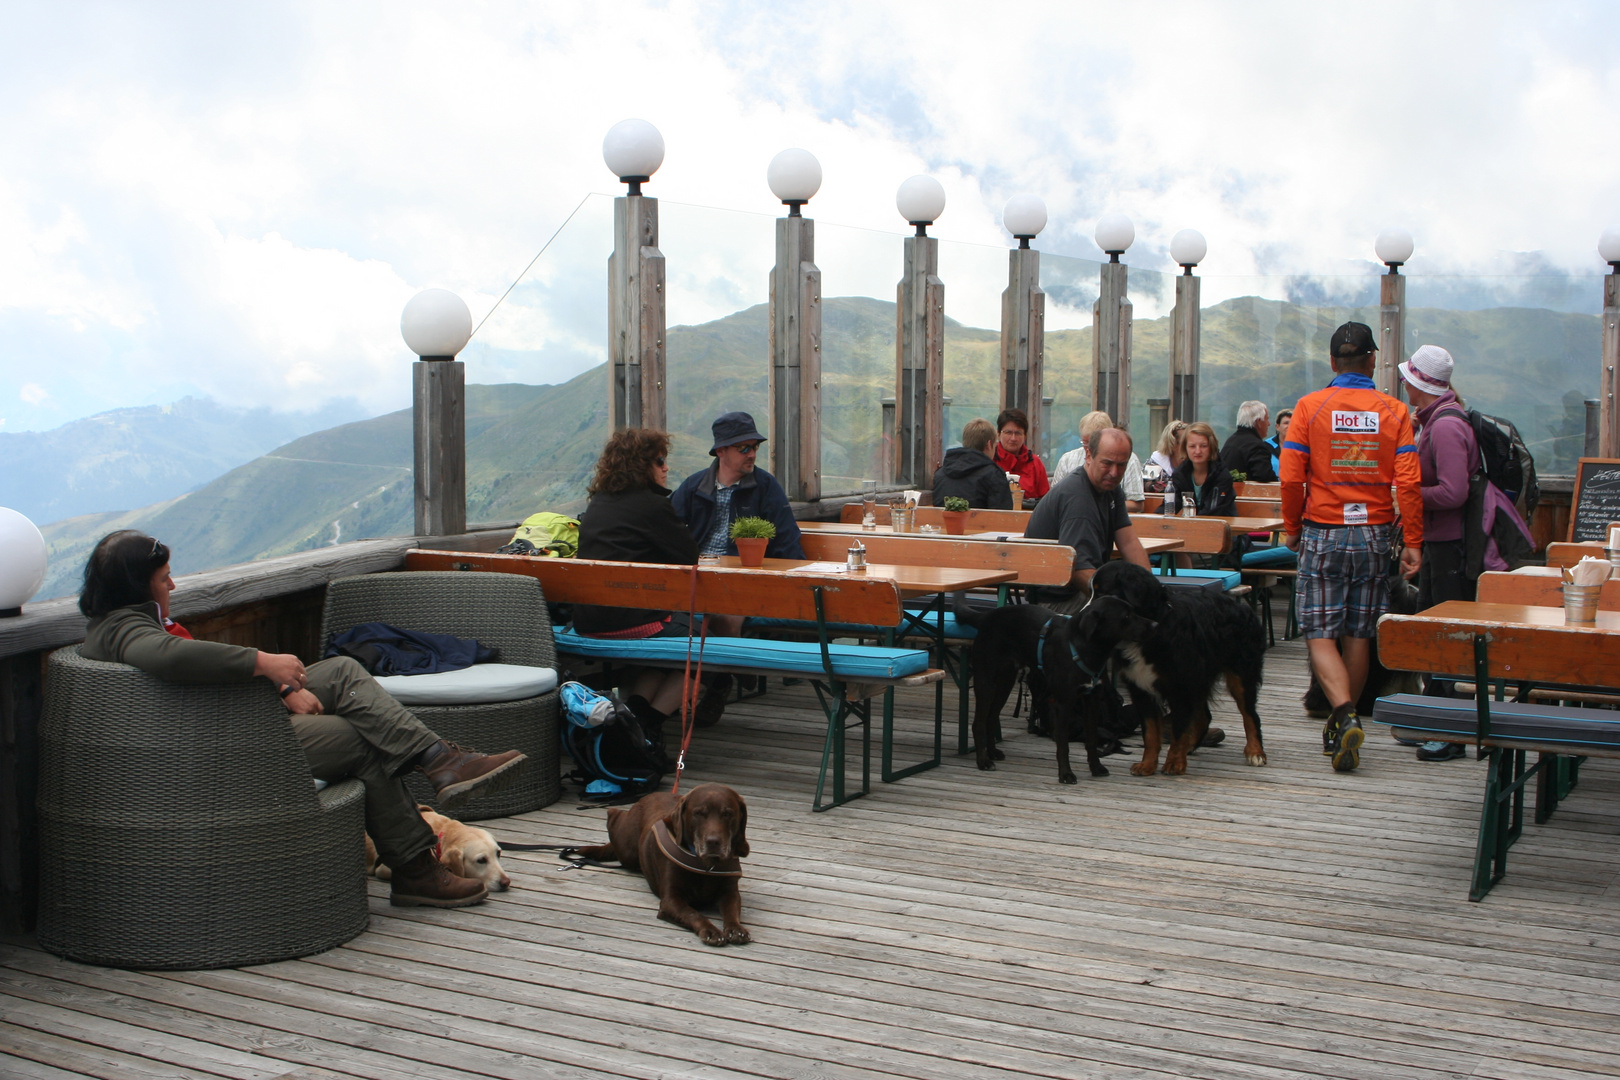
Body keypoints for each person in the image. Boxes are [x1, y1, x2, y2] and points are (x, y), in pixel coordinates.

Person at [77, 531, 526, 909]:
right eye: (163, 578)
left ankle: (441, 760)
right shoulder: (125, 628)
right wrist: (262, 662)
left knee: (345, 671)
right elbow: (170, 656)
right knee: (357, 739)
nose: (172, 586)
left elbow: (192, 673)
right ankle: (414, 868)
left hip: (235, 716)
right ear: (136, 586)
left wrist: (284, 686)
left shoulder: (123, 621)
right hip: (226, 741)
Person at [1281, 321, 1423, 773]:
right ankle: (1347, 717)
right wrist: (1414, 541)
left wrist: (1291, 528)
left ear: (1331, 363)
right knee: (1359, 632)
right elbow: (1410, 482)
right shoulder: (1394, 411)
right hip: (1376, 533)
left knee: (1320, 631)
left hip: (1323, 529)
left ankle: (1342, 713)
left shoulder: (1309, 407)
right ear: (1372, 360)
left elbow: (1290, 477)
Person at [574, 428, 705, 734]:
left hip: (589, 623)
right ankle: (649, 722)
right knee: (702, 644)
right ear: (641, 465)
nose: (666, 467)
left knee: (672, 638)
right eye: (660, 461)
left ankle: (633, 713)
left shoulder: (599, 502)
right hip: (631, 622)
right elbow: (689, 557)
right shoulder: (652, 505)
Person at [1398, 345, 1479, 762]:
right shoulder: (1435, 421)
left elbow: (1455, 491)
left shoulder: (1446, 427)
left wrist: (1409, 496)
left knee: (1445, 633)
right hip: (1440, 543)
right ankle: (1436, 719)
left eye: (1408, 378)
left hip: (1451, 546)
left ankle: (1450, 730)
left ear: (1419, 384)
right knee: (1433, 628)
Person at [1025, 427, 1151, 614]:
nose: (1114, 473)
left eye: (1121, 465)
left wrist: (1151, 588)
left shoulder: (1110, 488)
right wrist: (1122, 602)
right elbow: (1078, 570)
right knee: (1138, 626)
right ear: (1089, 455)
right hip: (1056, 600)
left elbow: (1130, 543)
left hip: (1081, 590)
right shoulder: (1079, 499)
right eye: (1107, 463)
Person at [672, 411, 805, 562]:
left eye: (755, 447)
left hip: (744, 571)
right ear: (720, 450)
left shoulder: (766, 486)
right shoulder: (694, 486)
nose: (752, 454)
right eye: (743, 448)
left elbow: (786, 539)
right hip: (696, 570)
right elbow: (667, 528)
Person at [1051, 411, 1146, 512]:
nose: (1089, 449)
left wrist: (1102, 507)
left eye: (1094, 444)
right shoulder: (1067, 459)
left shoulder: (1128, 460)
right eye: (1085, 442)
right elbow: (1054, 499)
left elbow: (1136, 504)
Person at [932, 417, 1015, 509]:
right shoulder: (994, 475)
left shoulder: (940, 474)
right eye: (995, 446)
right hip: (982, 523)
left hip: (944, 523)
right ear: (989, 444)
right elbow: (1004, 515)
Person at [1168, 421, 1237, 517]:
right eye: (1192, 446)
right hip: (1191, 527)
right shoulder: (1180, 474)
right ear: (1185, 448)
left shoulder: (1222, 476)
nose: (1198, 451)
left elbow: (1213, 511)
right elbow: (1171, 506)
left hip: (1220, 528)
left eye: (1203, 446)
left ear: (1211, 447)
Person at [991, 408, 1049, 504]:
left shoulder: (1035, 463)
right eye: (1008, 433)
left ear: (1025, 436)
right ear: (998, 434)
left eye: (1018, 433)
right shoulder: (990, 460)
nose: (1013, 438)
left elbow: (1046, 502)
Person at [1219, 401, 1278, 482]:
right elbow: (1265, 478)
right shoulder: (1256, 446)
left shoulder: (1231, 441)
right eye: (1267, 419)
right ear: (1258, 421)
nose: (1269, 424)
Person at [1264, 408, 1292, 476]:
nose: (1290, 426)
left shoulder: (1302, 447)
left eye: (1293, 423)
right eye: (1286, 423)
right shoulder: (1266, 446)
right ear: (1277, 426)